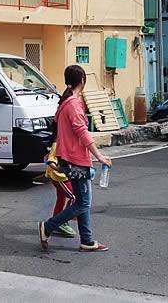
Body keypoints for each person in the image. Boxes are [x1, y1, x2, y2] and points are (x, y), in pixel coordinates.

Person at [38, 65, 112, 252]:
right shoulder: (72, 104)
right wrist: (100, 156)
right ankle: (48, 226)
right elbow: (82, 133)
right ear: (83, 81)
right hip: (75, 160)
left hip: (71, 158)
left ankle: (87, 240)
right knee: (83, 202)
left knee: (83, 200)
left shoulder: (66, 103)